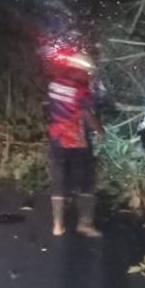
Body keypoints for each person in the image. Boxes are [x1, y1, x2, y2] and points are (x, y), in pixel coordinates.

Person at [47, 50, 105, 237]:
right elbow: (87, 115)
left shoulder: (54, 85)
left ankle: (58, 225)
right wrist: (100, 130)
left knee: (59, 180)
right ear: (77, 70)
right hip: (77, 141)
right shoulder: (81, 91)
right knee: (87, 182)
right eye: (86, 72)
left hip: (56, 139)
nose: (88, 75)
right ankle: (85, 224)